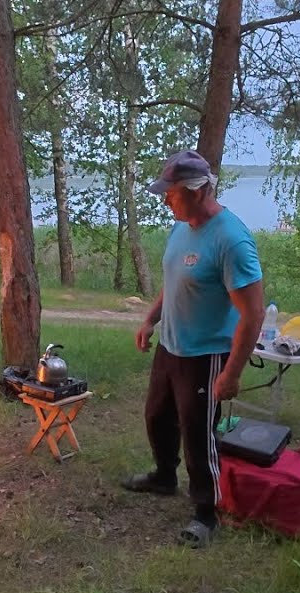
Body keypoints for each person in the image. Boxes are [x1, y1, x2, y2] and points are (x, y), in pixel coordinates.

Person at [122, 149, 264, 548]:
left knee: (198, 433)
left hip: (205, 356)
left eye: (172, 193)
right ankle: (164, 476)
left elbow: (253, 314)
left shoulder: (232, 240)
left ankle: (206, 512)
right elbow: (173, 282)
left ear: (198, 191)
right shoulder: (181, 227)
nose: (165, 199)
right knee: (157, 416)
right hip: (171, 345)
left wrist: (232, 373)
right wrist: (150, 319)